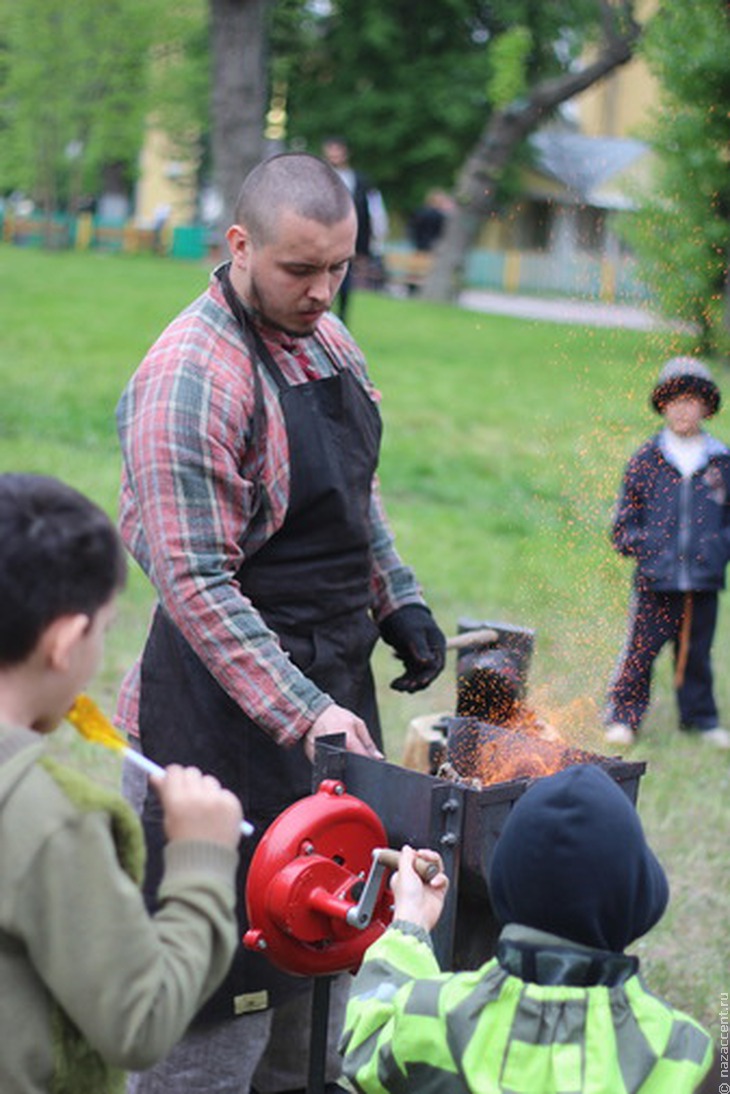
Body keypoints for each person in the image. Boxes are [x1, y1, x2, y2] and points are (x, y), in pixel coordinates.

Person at [114, 151, 446, 1093]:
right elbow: (196, 586)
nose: (324, 291)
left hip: (332, 690)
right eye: (301, 270)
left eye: (339, 268)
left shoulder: (333, 344)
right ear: (239, 245)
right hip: (215, 718)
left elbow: (353, 500)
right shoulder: (191, 379)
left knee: (337, 940)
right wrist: (305, 711)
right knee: (215, 991)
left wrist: (399, 597)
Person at [0, 472, 243, 1094]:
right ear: (67, 641)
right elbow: (140, 1021)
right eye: (105, 629)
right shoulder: (52, 820)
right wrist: (200, 861)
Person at [340, 764, 713, 1093]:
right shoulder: (683, 1053)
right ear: (639, 903)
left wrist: (410, 924)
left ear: (503, 888)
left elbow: (365, 1038)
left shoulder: (433, 1017)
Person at [605, 356, 730, 750]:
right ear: (663, 405)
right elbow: (624, 523)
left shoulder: (721, 462)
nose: (683, 409)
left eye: (691, 401)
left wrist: (716, 552)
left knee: (695, 655)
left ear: (706, 407)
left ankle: (700, 719)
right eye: (674, 401)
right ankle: (624, 716)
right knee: (640, 653)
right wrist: (648, 549)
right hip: (654, 581)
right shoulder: (646, 461)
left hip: (702, 581)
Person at [321, 137, 388, 323]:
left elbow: (373, 212)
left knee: (344, 278)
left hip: (350, 238)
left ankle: (340, 317)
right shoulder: (320, 177)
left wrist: (368, 243)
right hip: (323, 236)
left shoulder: (360, 180)